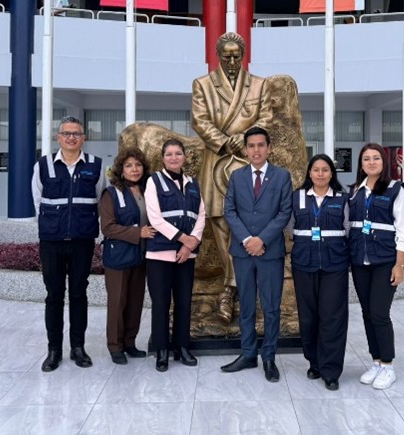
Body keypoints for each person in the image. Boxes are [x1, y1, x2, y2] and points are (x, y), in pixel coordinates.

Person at [191, 32, 272, 323]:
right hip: (217, 160)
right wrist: (226, 142)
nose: (232, 61)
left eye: (237, 55)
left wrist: (245, 137)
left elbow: (266, 118)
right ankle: (233, 288)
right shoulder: (202, 84)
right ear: (218, 56)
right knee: (221, 224)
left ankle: (236, 289)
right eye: (226, 56)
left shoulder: (260, 85)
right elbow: (199, 120)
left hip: (250, 161)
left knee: (251, 223)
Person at [32, 116, 106, 372]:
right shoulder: (43, 166)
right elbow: (38, 201)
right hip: (52, 242)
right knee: (54, 296)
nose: (71, 138)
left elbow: (99, 200)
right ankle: (54, 350)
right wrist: (54, 223)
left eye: (76, 134)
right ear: (58, 137)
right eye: (66, 133)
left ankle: (78, 348)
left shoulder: (95, 165)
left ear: (84, 138)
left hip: (82, 241)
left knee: (78, 294)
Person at [221, 127, 292, 383]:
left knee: (271, 307)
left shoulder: (282, 176)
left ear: (269, 148)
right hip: (243, 252)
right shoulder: (237, 176)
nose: (256, 150)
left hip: (269, 251)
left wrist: (261, 239)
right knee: (247, 306)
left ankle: (269, 357)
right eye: (251, 145)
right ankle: (248, 353)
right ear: (245, 149)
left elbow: (284, 212)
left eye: (261, 145)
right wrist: (247, 240)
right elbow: (229, 210)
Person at [349, 143, 404, 390]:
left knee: (379, 314)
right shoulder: (355, 190)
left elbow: (402, 230)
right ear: (361, 164)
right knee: (366, 313)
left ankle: (388, 365)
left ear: (384, 162)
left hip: (384, 261)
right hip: (360, 262)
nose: (371, 162)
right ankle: (376, 362)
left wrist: (399, 265)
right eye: (366, 158)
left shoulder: (396, 189)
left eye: (376, 158)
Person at [288, 154, 349, 391]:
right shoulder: (297, 197)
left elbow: (347, 229)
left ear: (332, 173)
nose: (320, 174)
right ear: (309, 173)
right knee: (308, 316)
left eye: (325, 170)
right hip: (304, 263)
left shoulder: (342, 199)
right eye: (316, 170)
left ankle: (330, 370)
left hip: (335, 265)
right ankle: (314, 362)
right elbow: (290, 227)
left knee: (332, 317)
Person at [144, 139, 206, 372]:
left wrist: (191, 244)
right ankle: (162, 350)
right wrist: (183, 238)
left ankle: (182, 347)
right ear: (162, 158)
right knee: (161, 303)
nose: (173, 157)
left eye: (178, 153)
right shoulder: (153, 181)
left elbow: (201, 216)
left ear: (184, 157)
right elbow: (155, 218)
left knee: (183, 302)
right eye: (169, 154)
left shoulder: (193, 184)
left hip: (186, 255)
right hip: (160, 254)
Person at [99, 147, 157, 365]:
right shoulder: (111, 193)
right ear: (121, 170)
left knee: (135, 302)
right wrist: (137, 233)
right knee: (118, 302)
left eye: (138, 165)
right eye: (129, 165)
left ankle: (130, 343)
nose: (134, 169)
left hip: (142, 256)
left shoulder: (147, 191)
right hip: (119, 257)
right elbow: (108, 227)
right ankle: (115, 346)